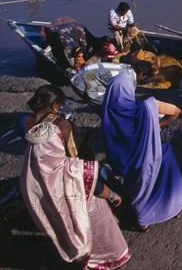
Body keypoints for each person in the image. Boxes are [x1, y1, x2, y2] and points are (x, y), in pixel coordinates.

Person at [19, 85, 131, 268]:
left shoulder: (29, 131)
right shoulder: (69, 164)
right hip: (77, 198)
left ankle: (81, 258)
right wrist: (113, 196)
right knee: (98, 226)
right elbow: (91, 183)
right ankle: (105, 261)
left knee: (69, 229)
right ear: (55, 105)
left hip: (53, 200)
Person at [101, 73, 182, 231]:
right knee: (167, 156)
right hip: (152, 156)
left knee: (138, 191)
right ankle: (171, 205)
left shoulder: (108, 117)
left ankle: (143, 223)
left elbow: (111, 147)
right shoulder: (148, 106)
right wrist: (159, 125)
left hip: (124, 165)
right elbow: (175, 111)